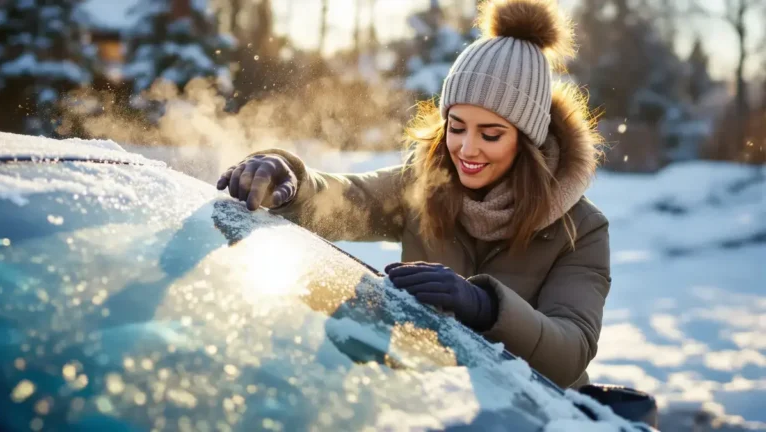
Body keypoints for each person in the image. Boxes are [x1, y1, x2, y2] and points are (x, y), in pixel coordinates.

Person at [217, 0, 610, 390]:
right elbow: (347, 199)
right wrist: (291, 180)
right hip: (429, 403)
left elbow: (571, 352)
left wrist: (485, 306)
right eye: (457, 127)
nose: (467, 149)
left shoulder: (581, 230)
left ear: (528, 141)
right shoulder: (424, 185)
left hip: (532, 413)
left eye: (490, 134)